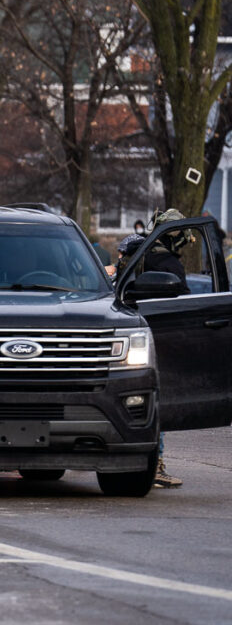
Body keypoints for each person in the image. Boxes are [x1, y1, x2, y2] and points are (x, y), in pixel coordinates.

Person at [142, 208, 188, 489]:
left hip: (137, 341)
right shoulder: (168, 264)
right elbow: (183, 304)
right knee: (157, 403)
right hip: (162, 340)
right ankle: (155, 464)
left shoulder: (139, 256)